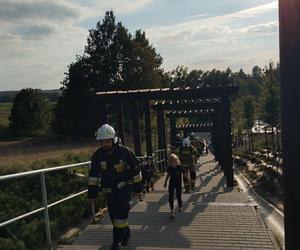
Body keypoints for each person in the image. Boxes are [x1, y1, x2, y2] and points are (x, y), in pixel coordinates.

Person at [88, 124, 144, 250]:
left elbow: (136, 171)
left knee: (121, 213)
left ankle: (116, 242)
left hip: (124, 188)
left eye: (108, 141)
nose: (105, 144)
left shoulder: (125, 153)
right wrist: (92, 195)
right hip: (109, 190)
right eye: (102, 142)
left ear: (113, 140)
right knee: (114, 216)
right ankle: (125, 231)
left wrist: (138, 189)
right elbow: (93, 176)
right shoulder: (98, 156)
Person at [163, 153, 185, 218]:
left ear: (177, 161)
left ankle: (180, 206)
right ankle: (172, 211)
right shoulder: (169, 168)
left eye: (175, 161)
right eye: (172, 161)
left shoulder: (180, 167)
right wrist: (165, 182)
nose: (173, 162)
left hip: (178, 184)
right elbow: (168, 175)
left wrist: (188, 182)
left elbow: (185, 174)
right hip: (171, 184)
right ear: (170, 162)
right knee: (170, 197)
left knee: (178, 196)